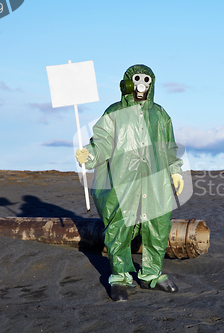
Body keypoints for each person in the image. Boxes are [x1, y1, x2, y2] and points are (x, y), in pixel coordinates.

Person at [75, 64, 184, 301]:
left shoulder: (160, 114)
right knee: (119, 227)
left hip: (154, 182)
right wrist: (90, 154)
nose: (141, 85)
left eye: (146, 80)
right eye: (137, 79)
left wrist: (175, 171)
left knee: (158, 226)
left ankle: (151, 275)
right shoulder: (113, 113)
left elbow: (168, 146)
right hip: (123, 181)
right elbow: (102, 141)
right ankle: (121, 276)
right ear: (127, 82)